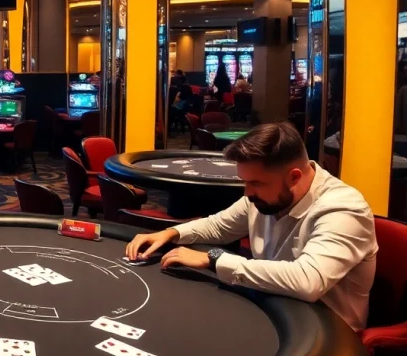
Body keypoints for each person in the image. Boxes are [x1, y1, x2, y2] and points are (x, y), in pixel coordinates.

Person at [125, 123, 377, 331]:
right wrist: (173, 233)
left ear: (295, 177)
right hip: (273, 308)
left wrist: (213, 259)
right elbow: (219, 226)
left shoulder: (343, 209)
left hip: (326, 334)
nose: (247, 192)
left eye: (256, 183)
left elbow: (307, 281)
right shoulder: (263, 197)